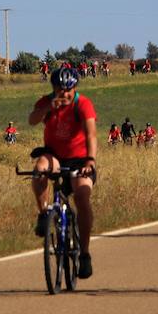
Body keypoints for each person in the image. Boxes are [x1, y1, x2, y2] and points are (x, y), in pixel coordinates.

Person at [28, 67, 98, 280]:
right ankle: (43, 214)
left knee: (82, 196)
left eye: (69, 90)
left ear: (75, 88)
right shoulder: (46, 102)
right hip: (54, 155)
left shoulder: (83, 104)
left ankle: (84, 254)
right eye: (60, 89)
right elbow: (32, 120)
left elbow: (91, 134)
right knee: (40, 168)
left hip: (80, 159)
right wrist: (49, 107)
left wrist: (91, 160)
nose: (65, 94)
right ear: (54, 88)